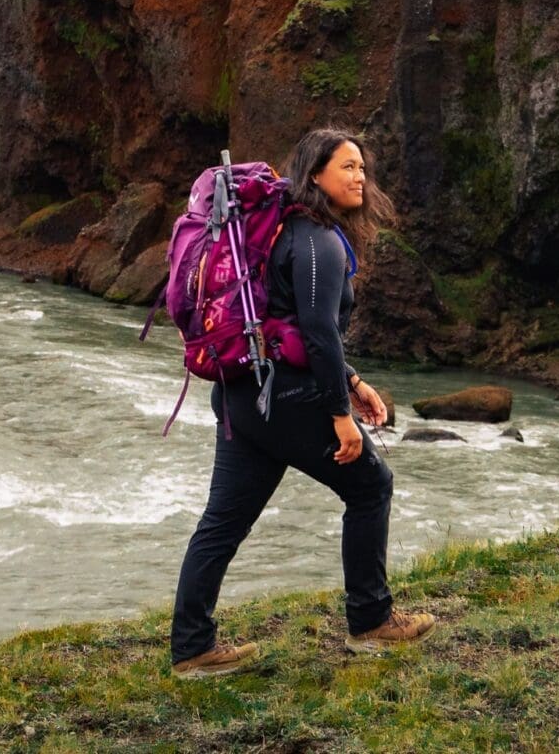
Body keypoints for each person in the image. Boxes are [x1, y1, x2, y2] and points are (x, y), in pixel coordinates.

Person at [169, 127, 438, 679]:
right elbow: (318, 333)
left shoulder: (281, 231)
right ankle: (371, 620)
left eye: (361, 167)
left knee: (223, 521)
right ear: (315, 175)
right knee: (370, 486)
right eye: (347, 167)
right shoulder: (318, 240)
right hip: (285, 398)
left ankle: (192, 648)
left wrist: (353, 381)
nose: (360, 177)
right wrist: (340, 415)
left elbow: (288, 323)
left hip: (242, 395)